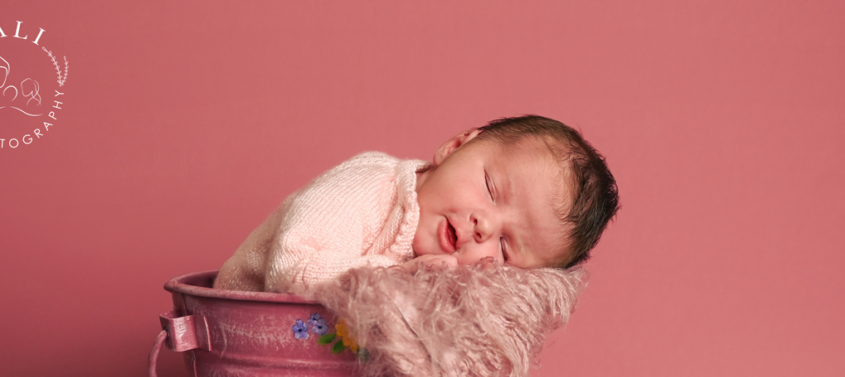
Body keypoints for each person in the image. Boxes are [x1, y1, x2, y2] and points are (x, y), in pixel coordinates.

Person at [214, 115, 618, 295]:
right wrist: (399, 275)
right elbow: (291, 270)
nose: (484, 228)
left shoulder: (444, 269)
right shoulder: (371, 186)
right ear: (456, 146)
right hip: (247, 328)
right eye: (491, 190)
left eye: (506, 248)